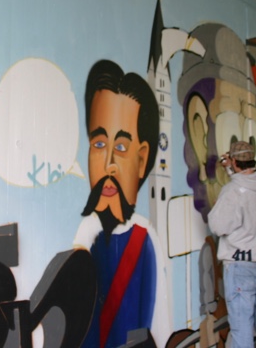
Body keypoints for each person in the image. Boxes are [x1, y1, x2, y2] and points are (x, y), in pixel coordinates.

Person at [73, 59, 169, 348]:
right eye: (99, 144)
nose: (109, 165)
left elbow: (161, 325)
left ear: (142, 159)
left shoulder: (145, 239)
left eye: (121, 147)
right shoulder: (84, 237)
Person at [208, 140, 256, 348]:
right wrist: (231, 170)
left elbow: (218, 226)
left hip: (241, 266)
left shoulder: (232, 191)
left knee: (242, 328)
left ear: (233, 160)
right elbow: (248, 185)